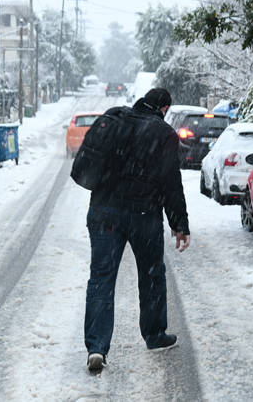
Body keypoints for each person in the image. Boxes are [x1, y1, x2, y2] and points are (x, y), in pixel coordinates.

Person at [84, 87, 191, 371]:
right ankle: (155, 335)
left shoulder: (116, 120)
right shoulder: (162, 133)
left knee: (101, 279)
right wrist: (179, 223)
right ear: (164, 107)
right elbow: (171, 183)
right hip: (143, 215)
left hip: (104, 211)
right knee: (152, 275)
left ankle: (96, 347)